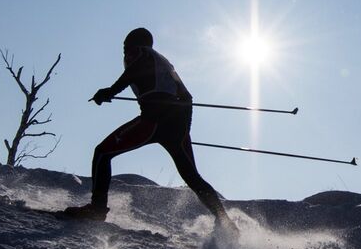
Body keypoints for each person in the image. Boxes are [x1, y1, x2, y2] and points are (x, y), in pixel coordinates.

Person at [64, 27, 238, 234]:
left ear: (133, 44)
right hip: (176, 124)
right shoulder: (164, 62)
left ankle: (97, 208)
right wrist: (182, 131)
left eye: (125, 46)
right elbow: (188, 97)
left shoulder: (140, 53)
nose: (124, 52)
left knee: (102, 153)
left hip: (153, 121)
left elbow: (134, 70)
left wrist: (110, 91)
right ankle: (225, 222)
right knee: (192, 176)